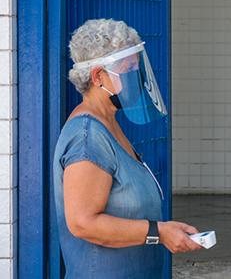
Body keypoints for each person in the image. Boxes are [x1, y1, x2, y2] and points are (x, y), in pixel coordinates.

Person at [53, 19, 202, 279]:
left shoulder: (108, 123)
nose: (137, 77)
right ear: (98, 76)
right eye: (129, 69)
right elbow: (83, 223)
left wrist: (164, 229)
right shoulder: (87, 138)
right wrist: (159, 232)